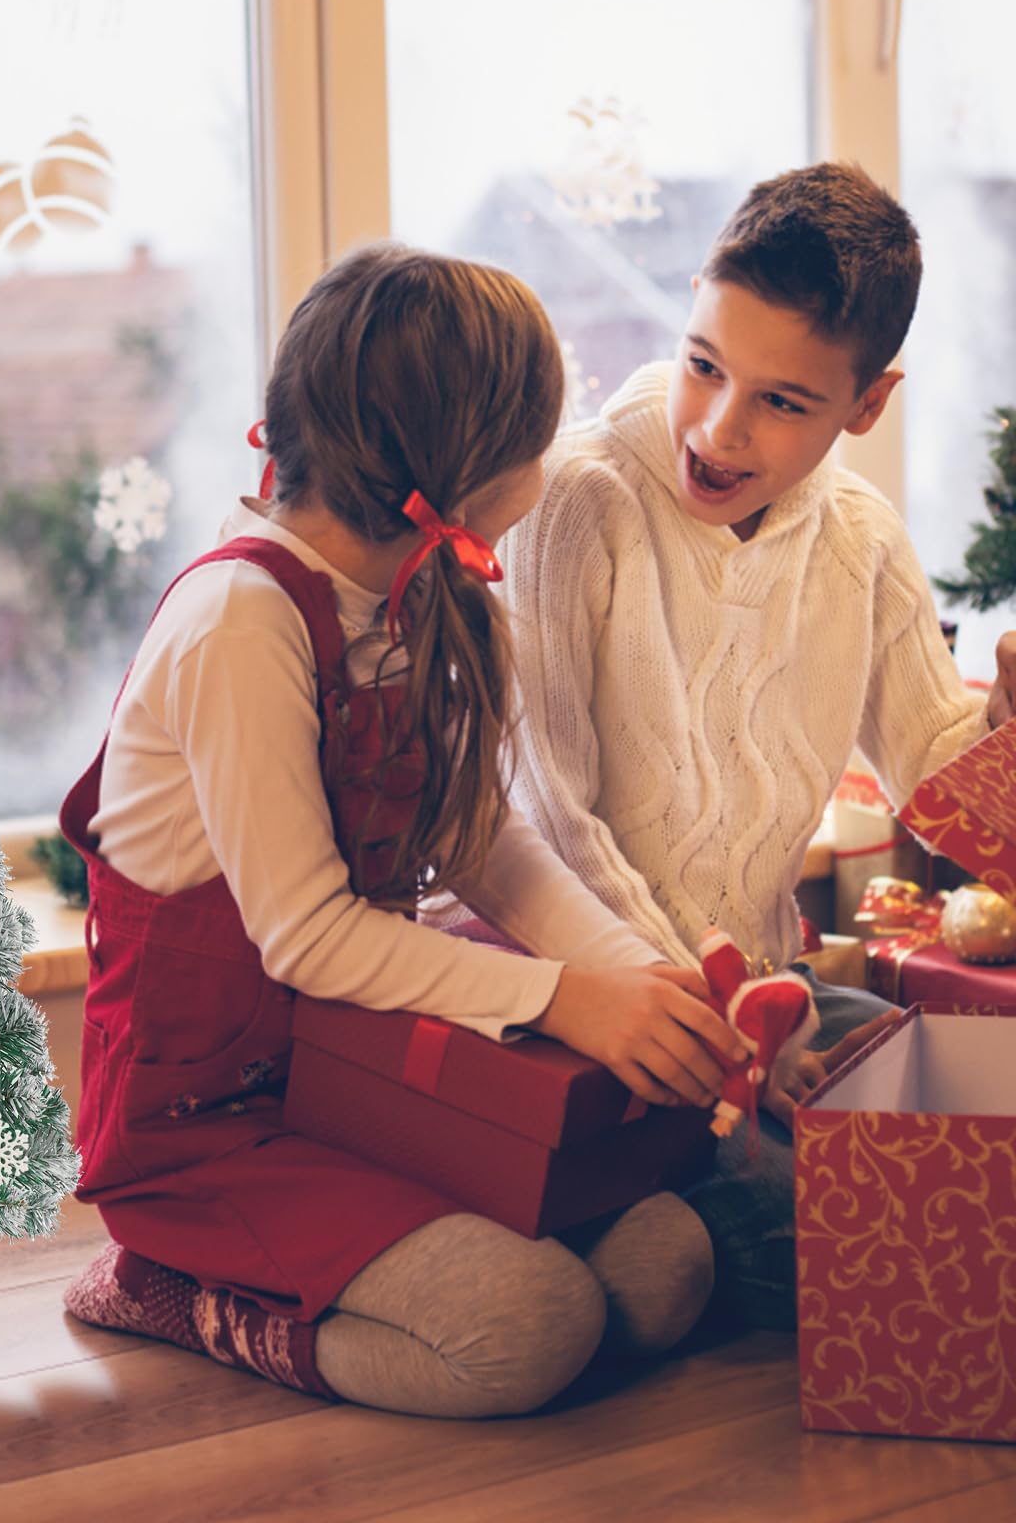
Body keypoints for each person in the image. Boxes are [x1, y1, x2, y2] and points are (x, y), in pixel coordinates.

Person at [58, 244, 728, 1418]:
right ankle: (165, 1280)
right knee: (530, 1329)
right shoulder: (240, 622)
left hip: (350, 1070)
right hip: (211, 1123)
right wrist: (562, 1000)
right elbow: (307, 938)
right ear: (466, 468)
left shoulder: (415, 590)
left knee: (660, 1266)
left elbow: (482, 845)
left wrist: (637, 981)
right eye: (538, 426)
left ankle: (379, 1265)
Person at [500, 162, 1016, 1327]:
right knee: (895, 1225)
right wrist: (724, 1030)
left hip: (780, 1007)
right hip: (603, 1010)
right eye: (702, 365)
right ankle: (676, 1229)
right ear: (688, 302)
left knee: (954, 1138)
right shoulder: (575, 500)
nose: (720, 429)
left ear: (866, 405)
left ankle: (697, 1223)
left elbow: (928, 765)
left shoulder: (860, 538)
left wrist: (997, 728)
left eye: (784, 402)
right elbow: (549, 817)